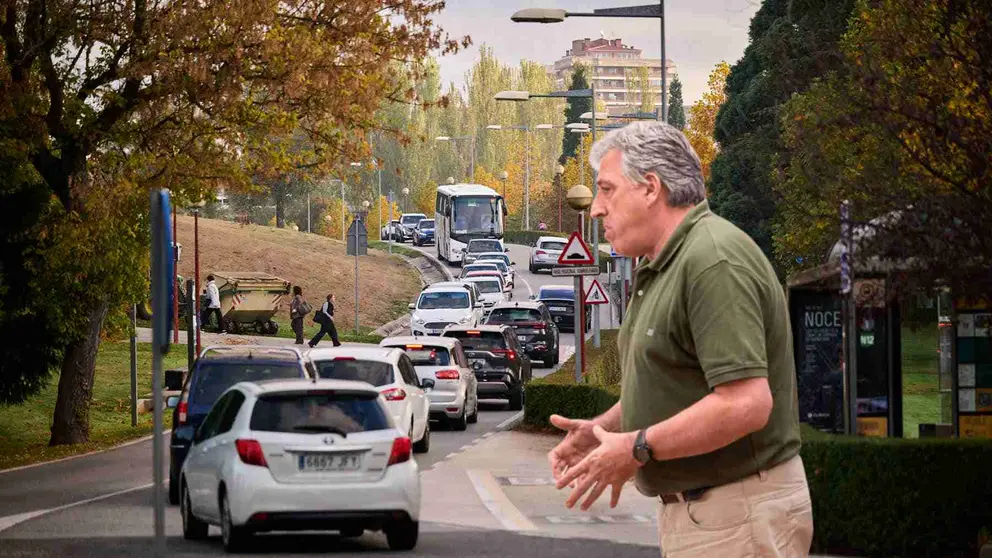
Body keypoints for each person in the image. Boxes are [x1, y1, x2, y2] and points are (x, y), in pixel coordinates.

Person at [547, 121, 811, 558]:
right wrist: (606, 429)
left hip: (736, 514)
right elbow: (678, 379)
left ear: (651, 188)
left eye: (607, 190)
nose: (595, 209)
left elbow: (746, 403)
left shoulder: (713, 261)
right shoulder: (668, 263)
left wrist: (636, 447)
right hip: (712, 515)